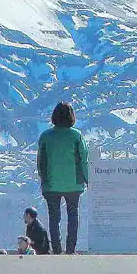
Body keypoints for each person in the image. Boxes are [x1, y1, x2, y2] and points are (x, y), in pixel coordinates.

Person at [37, 101, 90, 253]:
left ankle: (57, 249)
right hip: (74, 184)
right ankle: (70, 250)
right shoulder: (76, 136)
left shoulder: (46, 136)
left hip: (51, 184)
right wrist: (88, 180)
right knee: (73, 216)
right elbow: (83, 159)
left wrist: (43, 180)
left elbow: (41, 161)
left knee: (54, 219)